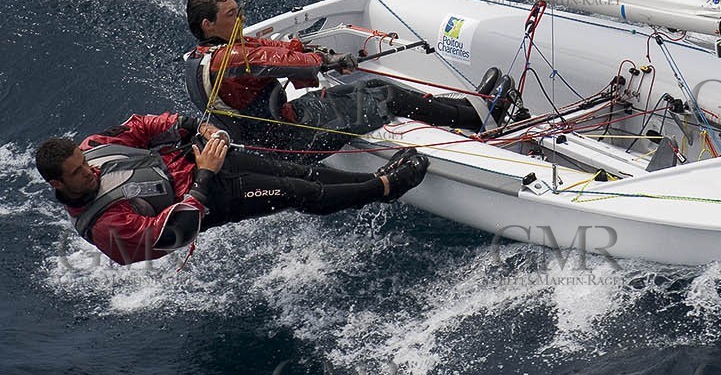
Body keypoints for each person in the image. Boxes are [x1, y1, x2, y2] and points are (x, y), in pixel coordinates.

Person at [34, 111, 430, 267]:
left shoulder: (92, 148)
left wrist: (192, 127)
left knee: (299, 172)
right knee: (296, 192)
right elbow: (170, 235)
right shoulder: (104, 226)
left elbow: (143, 126)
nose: (89, 172)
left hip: (209, 158)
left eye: (84, 163)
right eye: (78, 172)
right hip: (212, 198)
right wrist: (204, 177)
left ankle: (373, 183)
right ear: (58, 184)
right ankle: (384, 186)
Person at [183, 0, 521, 151]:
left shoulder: (206, 54)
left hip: (280, 127)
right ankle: (475, 118)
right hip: (290, 141)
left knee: (368, 89)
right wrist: (321, 61)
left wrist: (317, 54)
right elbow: (279, 63)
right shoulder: (234, 59)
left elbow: (276, 49)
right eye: (232, 16)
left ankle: (467, 106)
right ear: (208, 24)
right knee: (386, 97)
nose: (241, 18)